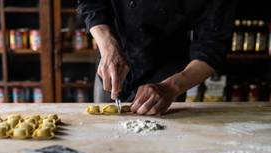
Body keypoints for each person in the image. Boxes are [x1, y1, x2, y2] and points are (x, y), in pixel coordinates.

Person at [78, 0, 237, 115]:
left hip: (169, 71)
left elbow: (212, 47)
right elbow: (91, 3)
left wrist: (171, 87)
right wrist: (108, 46)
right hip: (112, 61)